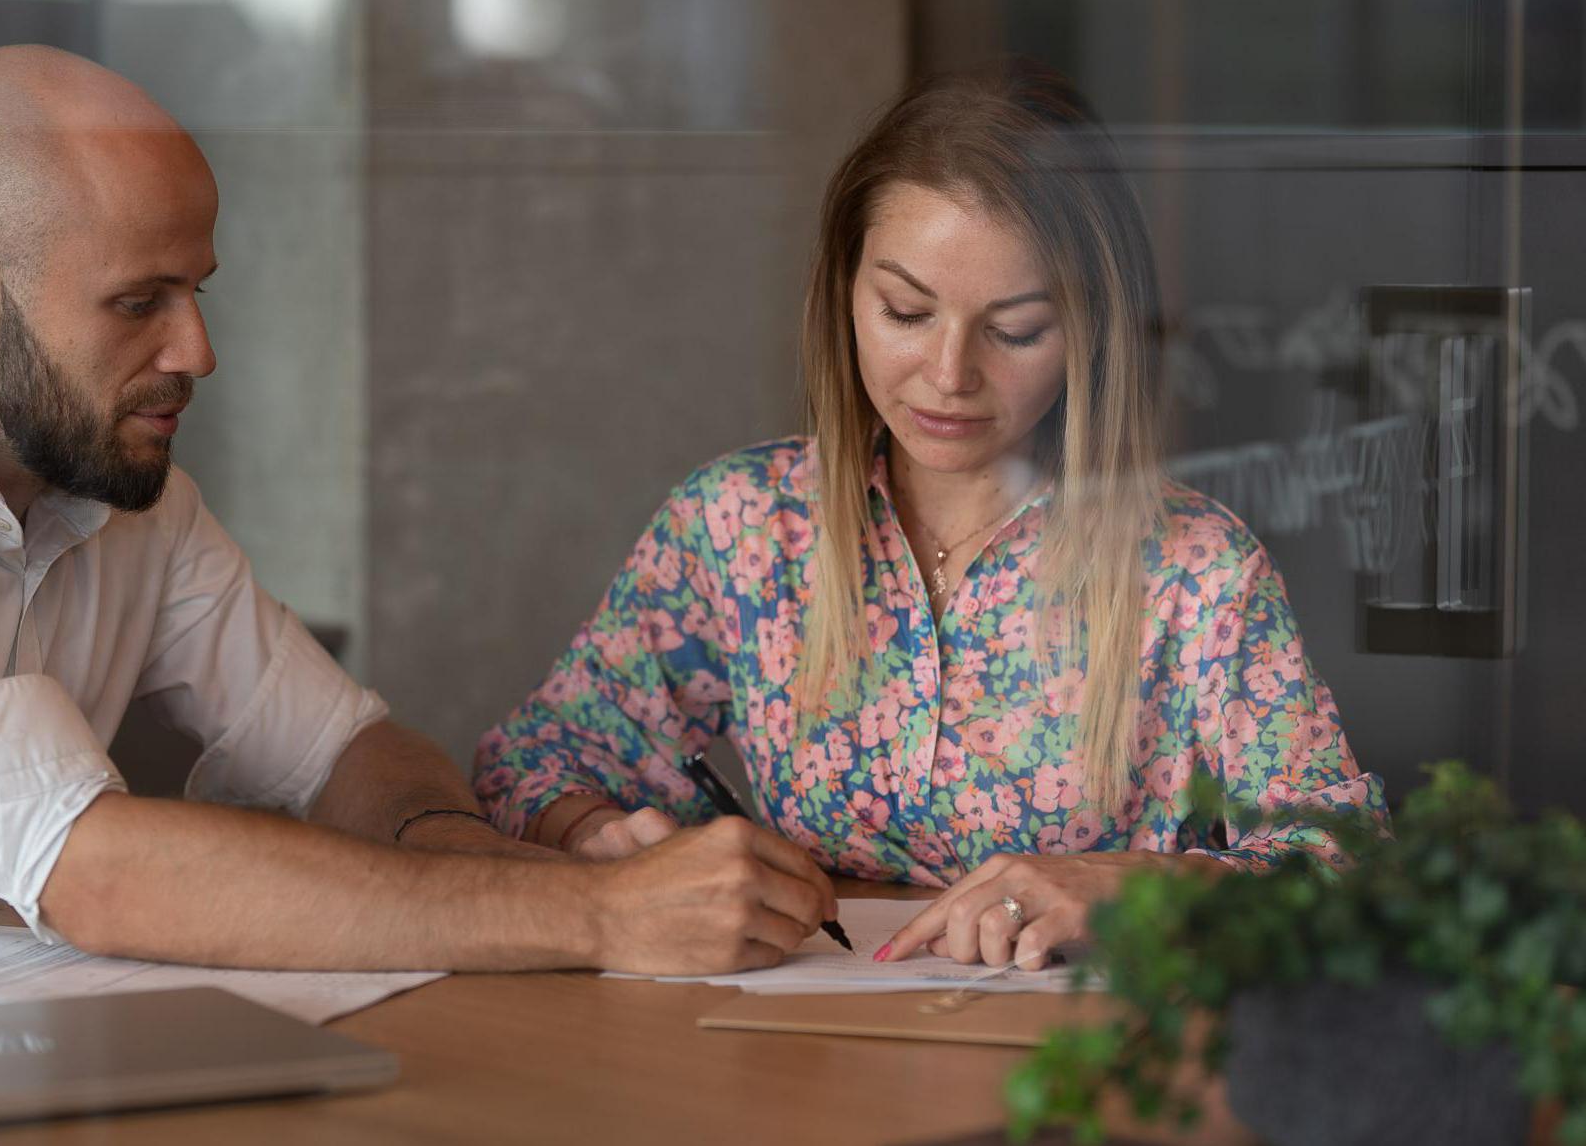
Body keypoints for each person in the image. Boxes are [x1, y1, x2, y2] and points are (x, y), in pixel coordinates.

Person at [0, 45, 839, 976]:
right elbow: (93, 869)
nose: (199, 351)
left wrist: (510, 872)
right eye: (138, 302)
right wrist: (601, 920)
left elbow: (346, 754)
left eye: (199, 291)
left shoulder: (131, 507)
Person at [472, 60, 1388, 972]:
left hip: (1067, 1066)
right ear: (845, 293)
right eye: (906, 311)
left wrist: (1132, 888)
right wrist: (604, 844)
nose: (950, 374)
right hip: (791, 1058)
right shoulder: (743, 526)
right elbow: (535, 759)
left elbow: (1350, 871)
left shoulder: (1194, 570)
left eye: (1017, 329)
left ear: (1094, 328)